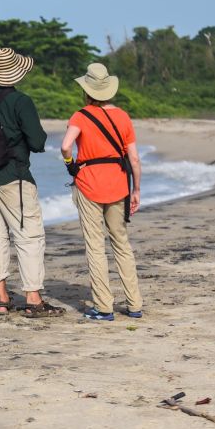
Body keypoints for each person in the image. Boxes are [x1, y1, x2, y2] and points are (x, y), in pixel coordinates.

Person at [0, 47, 65, 318]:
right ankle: (33, 300)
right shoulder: (21, 101)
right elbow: (38, 143)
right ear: (16, 73)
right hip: (14, 178)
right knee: (28, 238)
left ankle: (2, 300)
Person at [60, 62, 143, 321]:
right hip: (119, 184)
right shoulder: (123, 116)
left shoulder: (80, 116)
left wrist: (71, 165)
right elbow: (134, 159)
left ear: (86, 90)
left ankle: (104, 307)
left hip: (89, 184)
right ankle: (135, 304)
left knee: (95, 246)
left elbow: (65, 146)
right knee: (121, 243)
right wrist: (137, 189)